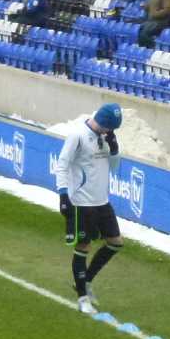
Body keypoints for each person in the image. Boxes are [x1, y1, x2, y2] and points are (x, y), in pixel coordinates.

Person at [56, 102, 126, 315]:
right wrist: (63, 195)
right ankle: (82, 298)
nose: (110, 132)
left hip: (102, 202)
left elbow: (113, 168)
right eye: (109, 128)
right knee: (83, 247)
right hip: (82, 203)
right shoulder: (77, 136)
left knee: (115, 243)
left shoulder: (106, 139)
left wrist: (114, 150)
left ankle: (85, 281)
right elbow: (62, 164)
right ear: (103, 122)